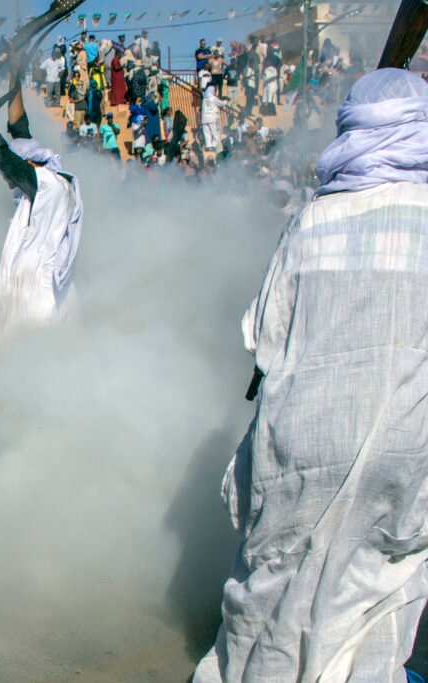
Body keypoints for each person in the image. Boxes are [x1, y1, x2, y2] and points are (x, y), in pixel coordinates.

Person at [193, 68, 428, 683]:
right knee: (377, 595)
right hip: (406, 445)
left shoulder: (312, 220)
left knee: (272, 594)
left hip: (300, 444)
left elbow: (263, 342)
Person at [0, 60, 83, 361]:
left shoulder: (48, 186)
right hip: (31, 297)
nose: (6, 181)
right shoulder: (46, 180)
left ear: (29, 164)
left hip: (36, 306)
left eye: (10, 176)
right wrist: (15, 73)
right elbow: (19, 129)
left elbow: (2, 155)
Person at [201, 85, 226, 151]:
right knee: (214, 132)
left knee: (207, 133)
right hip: (212, 118)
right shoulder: (212, 98)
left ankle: (208, 146)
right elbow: (220, 103)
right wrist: (226, 101)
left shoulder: (204, 99)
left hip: (204, 119)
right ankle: (215, 145)